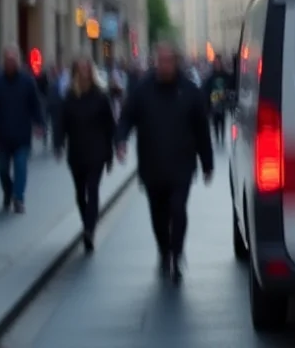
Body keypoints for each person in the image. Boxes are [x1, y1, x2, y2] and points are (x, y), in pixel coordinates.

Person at [116, 41, 214, 283]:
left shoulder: (190, 91)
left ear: (176, 62)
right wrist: (120, 140)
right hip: (152, 164)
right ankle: (164, 250)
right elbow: (127, 117)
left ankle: (177, 254)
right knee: (158, 214)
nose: (165, 65)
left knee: (178, 211)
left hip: (181, 165)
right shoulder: (143, 90)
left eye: (169, 60)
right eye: (161, 60)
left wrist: (207, 162)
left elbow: (202, 129)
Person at [54, 57, 116, 253]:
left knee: (93, 189)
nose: (84, 73)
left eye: (87, 69)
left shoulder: (100, 96)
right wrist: (58, 143)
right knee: (80, 194)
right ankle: (86, 221)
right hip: (76, 152)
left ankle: (89, 230)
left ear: (91, 72)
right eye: (80, 69)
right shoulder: (70, 96)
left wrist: (111, 151)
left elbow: (110, 126)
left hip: (96, 152)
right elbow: (61, 122)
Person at [0, 44, 44, 214]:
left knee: (21, 166)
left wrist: (39, 123)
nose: (11, 63)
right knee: (2, 168)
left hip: (21, 134)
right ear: (4, 61)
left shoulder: (27, 81)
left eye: (13, 59)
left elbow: (35, 104)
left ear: (18, 61)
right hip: (2, 135)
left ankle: (18, 198)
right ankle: (8, 191)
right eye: (8, 60)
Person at [202, 57, 233, 148]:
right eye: (216, 63)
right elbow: (206, 89)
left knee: (222, 121)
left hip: (222, 103)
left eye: (218, 63)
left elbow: (231, 84)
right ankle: (217, 138)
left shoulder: (225, 75)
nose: (217, 65)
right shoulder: (211, 77)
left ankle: (222, 139)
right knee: (215, 121)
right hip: (214, 103)